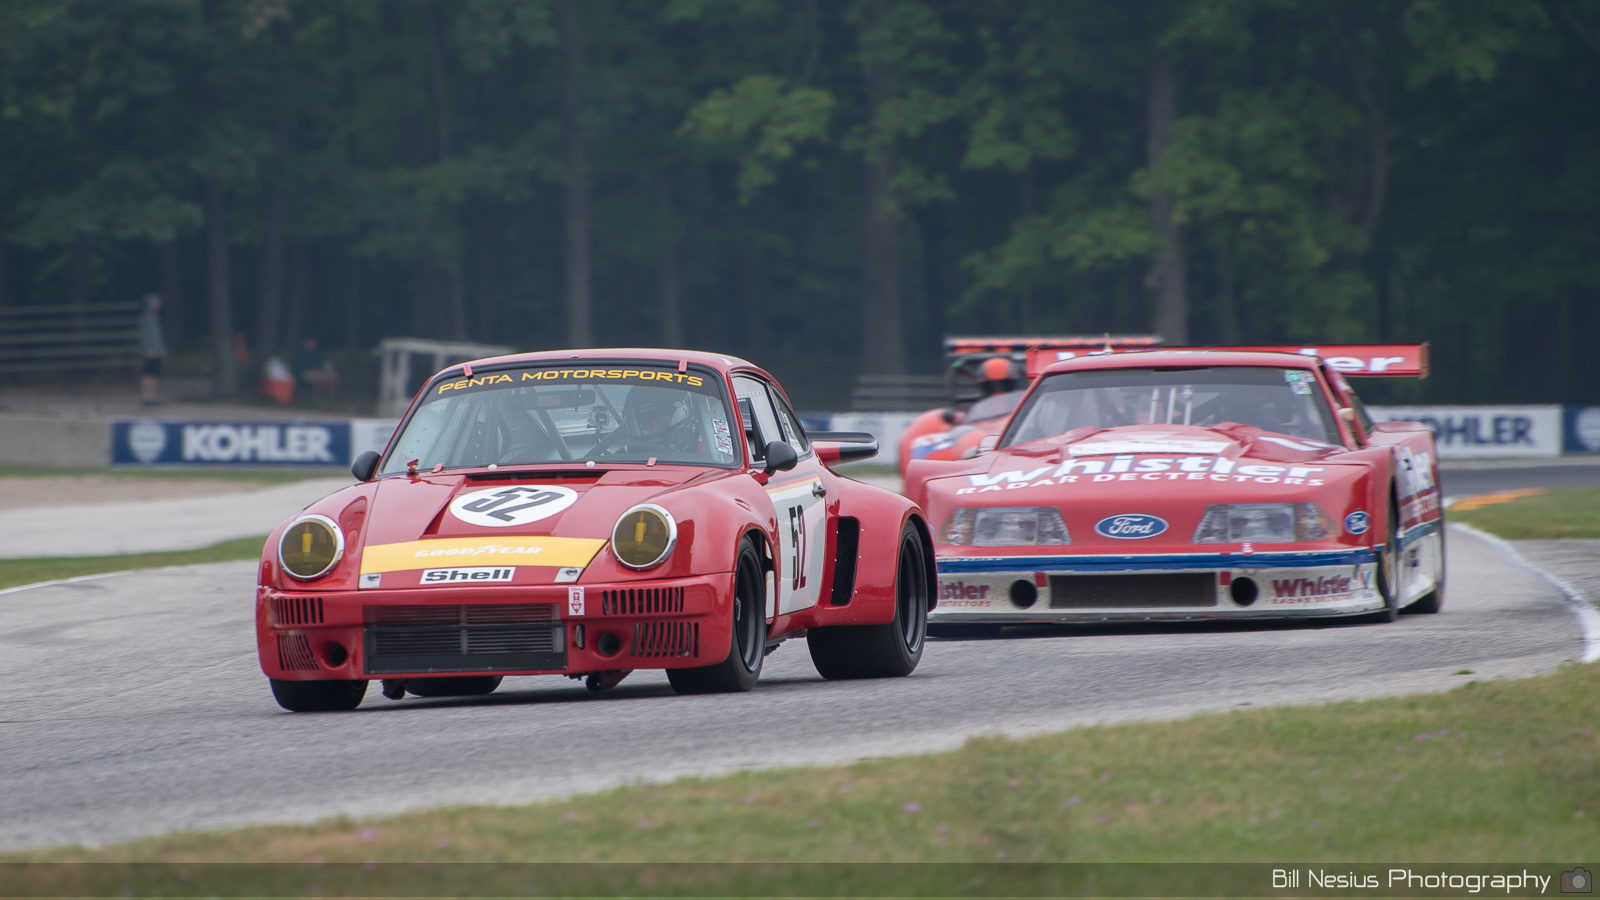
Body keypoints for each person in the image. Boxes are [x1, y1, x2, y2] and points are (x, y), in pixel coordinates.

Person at [139, 293, 166, 406]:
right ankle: (147, 398)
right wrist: (148, 349)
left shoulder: (155, 317)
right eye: (156, 302)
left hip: (156, 352)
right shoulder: (147, 317)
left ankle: (153, 397)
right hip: (150, 352)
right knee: (148, 375)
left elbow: (157, 335)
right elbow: (145, 335)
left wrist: (161, 348)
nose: (158, 304)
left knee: (154, 374)